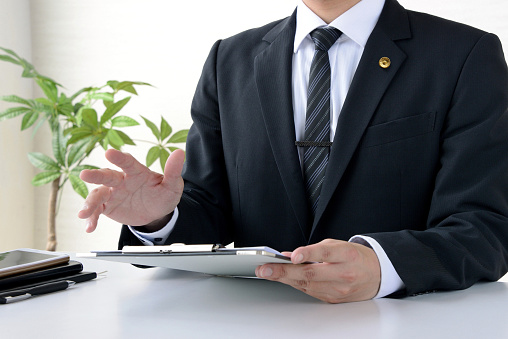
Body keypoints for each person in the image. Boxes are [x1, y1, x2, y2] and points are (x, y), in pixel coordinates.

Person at [78, 0, 508, 303]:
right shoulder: (229, 58)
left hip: (402, 320)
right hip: (248, 322)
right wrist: (158, 218)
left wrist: (383, 267)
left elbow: (486, 226)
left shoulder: (464, 54)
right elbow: (210, 211)